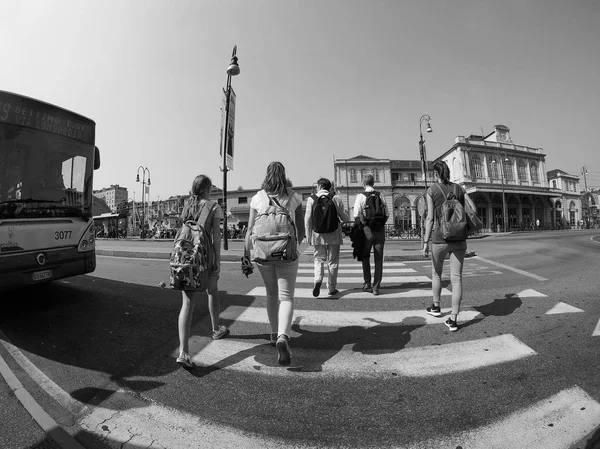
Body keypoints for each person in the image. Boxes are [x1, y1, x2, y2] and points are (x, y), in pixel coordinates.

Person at [244, 162, 305, 365]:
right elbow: (302, 231)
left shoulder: (257, 198)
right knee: (286, 297)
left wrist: (246, 255)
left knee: (271, 293)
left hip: (262, 252)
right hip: (287, 252)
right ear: (284, 175)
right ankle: (283, 336)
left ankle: (273, 333)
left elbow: (250, 229)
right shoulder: (294, 197)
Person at [176, 175, 229, 368]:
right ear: (207, 188)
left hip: (186, 258)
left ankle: (183, 351)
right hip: (204, 258)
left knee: (187, 303)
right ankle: (216, 329)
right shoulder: (214, 207)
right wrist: (216, 261)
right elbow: (216, 237)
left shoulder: (187, 205)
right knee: (212, 291)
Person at [422, 160, 476, 332]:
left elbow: (430, 219)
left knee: (436, 273)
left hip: (439, 238)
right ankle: (453, 319)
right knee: (457, 279)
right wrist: (463, 194)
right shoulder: (459, 189)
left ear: (435, 174)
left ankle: (436, 307)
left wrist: (425, 242)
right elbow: (473, 209)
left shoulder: (432, 190)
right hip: (459, 238)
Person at [304, 178, 350, 297]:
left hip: (317, 234)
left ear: (319, 186)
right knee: (333, 261)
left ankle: (318, 279)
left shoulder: (311, 199)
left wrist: (308, 236)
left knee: (318, 259)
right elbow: (345, 218)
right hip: (334, 234)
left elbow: (308, 219)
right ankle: (331, 288)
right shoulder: (336, 198)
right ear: (329, 187)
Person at [352, 173, 389, 295]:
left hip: (367, 231)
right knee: (378, 259)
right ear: (373, 183)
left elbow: (356, 215)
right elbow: (387, 214)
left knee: (365, 256)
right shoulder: (381, 195)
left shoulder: (361, 196)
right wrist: (380, 224)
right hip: (380, 231)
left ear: (363, 184)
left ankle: (367, 283)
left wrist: (362, 227)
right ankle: (376, 287)